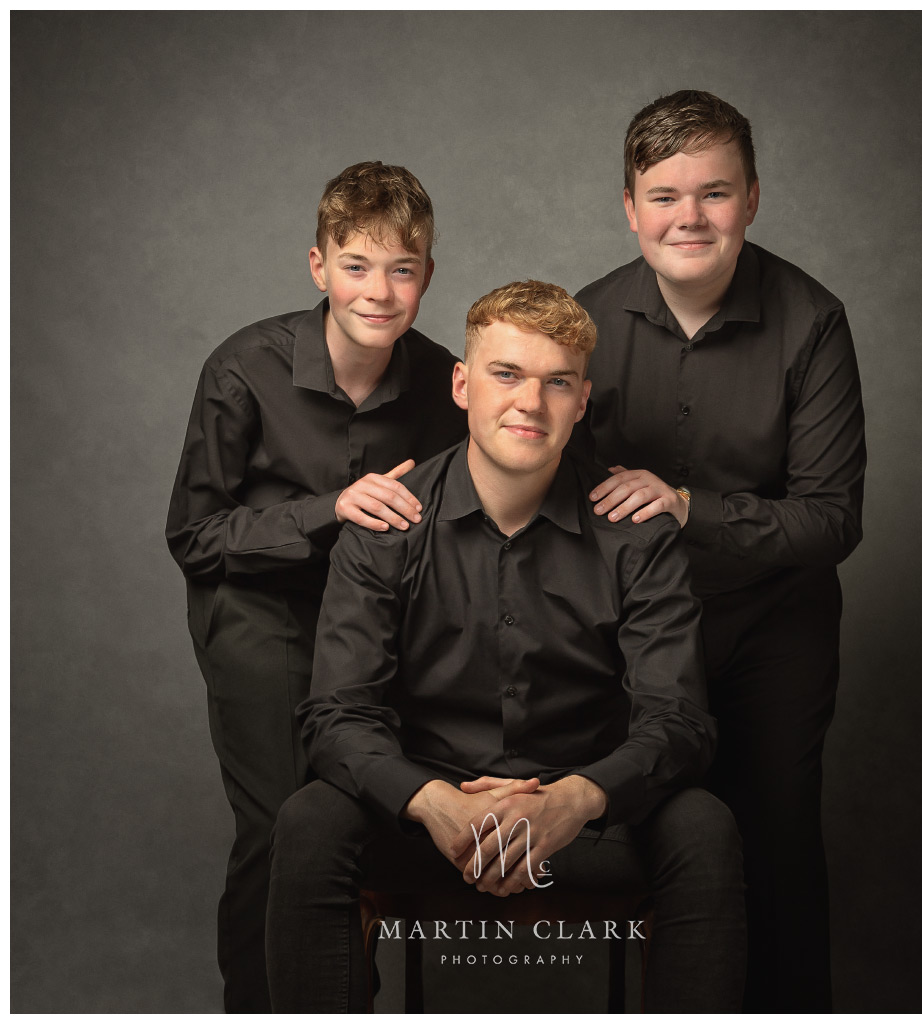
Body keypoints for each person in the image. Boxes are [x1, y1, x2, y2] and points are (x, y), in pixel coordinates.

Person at [265, 280, 746, 1012]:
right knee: (310, 821)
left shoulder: (637, 533)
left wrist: (575, 800)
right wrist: (430, 802)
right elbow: (335, 716)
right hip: (430, 818)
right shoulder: (386, 525)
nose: (531, 402)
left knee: (704, 827)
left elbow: (679, 722)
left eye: (558, 382)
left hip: (585, 820)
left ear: (583, 401)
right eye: (507, 374)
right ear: (462, 384)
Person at [574, 90, 867, 1011]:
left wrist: (687, 505)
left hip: (775, 627)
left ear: (751, 200)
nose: (688, 218)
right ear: (630, 207)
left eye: (714, 193)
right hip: (634, 635)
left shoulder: (813, 320)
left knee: (775, 850)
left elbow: (830, 520)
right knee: (660, 843)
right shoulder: (582, 323)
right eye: (664, 196)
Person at [165, 161, 467, 1012]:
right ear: (318, 265)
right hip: (259, 615)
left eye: (402, 269)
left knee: (361, 823)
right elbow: (194, 537)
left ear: (427, 277)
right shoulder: (242, 369)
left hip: (383, 632)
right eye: (357, 265)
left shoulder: (448, 386)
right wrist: (328, 509)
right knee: (280, 828)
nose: (379, 290)